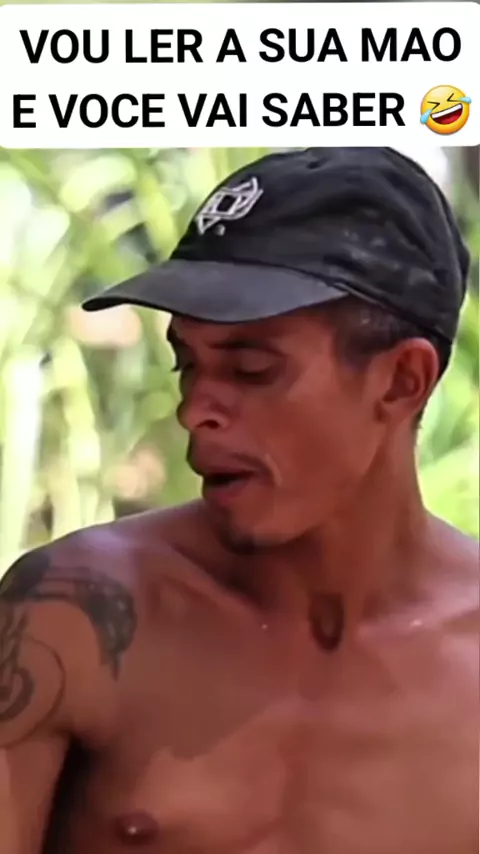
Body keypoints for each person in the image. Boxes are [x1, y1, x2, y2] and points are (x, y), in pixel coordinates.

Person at [0, 147, 478, 854]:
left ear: (402, 380)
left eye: (252, 369)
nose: (195, 410)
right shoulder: (78, 617)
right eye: (186, 364)